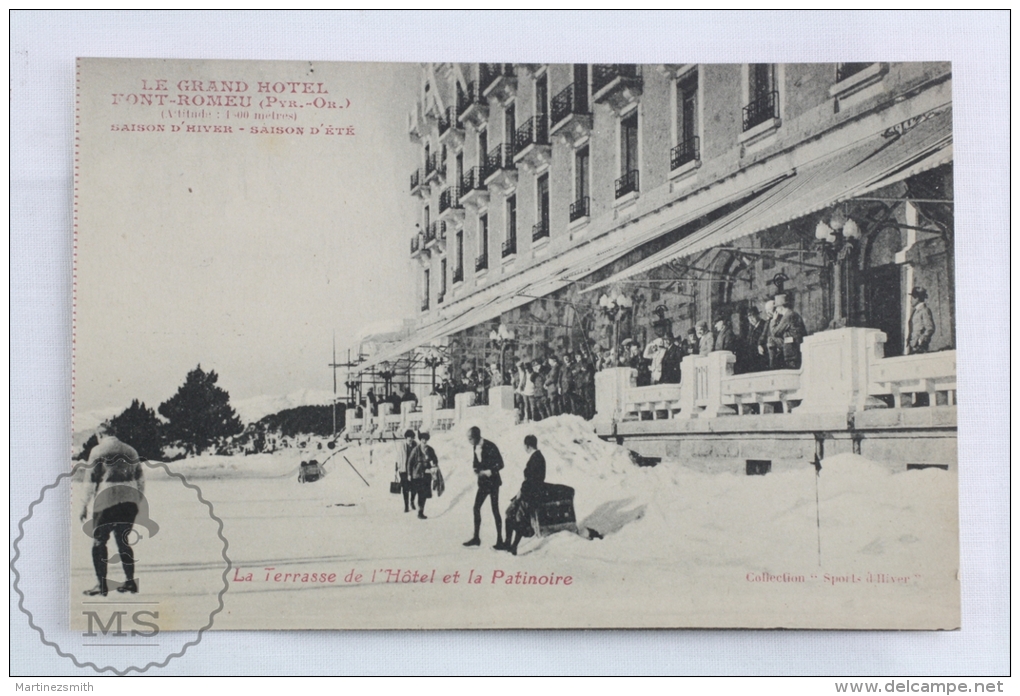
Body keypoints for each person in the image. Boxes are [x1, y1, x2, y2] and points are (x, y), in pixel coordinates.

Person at [78, 432, 145, 596]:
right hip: (129, 502)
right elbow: (140, 479)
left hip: (106, 500)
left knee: (99, 542)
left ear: (100, 434)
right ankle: (130, 582)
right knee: (123, 541)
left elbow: (90, 480)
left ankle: (101, 585)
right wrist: (137, 499)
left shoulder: (98, 451)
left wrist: (83, 504)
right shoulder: (131, 450)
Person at [503, 434, 547, 555]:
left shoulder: (536, 458)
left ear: (527, 446)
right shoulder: (538, 457)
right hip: (529, 493)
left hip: (529, 495)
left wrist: (521, 494)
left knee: (515, 517)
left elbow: (530, 480)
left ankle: (512, 545)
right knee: (512, 515)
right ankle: (509, 544)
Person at [463, 426, 505, 549]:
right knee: (476, 508)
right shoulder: (475, 446)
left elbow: (501, 464)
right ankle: (476, 538)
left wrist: (489, 471)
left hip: (493, 483)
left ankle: (500, 540)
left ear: (476, 437)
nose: (468, 441)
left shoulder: (491, 446)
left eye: (470, 438)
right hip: (483, 484)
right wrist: (476, 469)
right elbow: (476, 462)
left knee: (495, 510)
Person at [407, 432, 438, 520]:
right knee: (419, 493)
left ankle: (421, 511)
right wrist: (409, 474)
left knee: (424, 494)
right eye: (422, 439)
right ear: (420, 440)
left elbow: (435, 459)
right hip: (417, 475)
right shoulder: (415, 450)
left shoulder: (430, 450)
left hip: (427, 474)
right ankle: (415, 506)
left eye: (426, 440)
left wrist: (434, 465)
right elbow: (410, 462)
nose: (424, 441)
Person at [772, 296, 807, 369]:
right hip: (796, 349)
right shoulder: (793, 314)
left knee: (771, 339)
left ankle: (772, 366)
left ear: (780, 307)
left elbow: (775, 332)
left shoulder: (788, 315)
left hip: (792, 351)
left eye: (776, 308)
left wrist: (774, 320)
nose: (776, 310)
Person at [907, 286, 936, 354]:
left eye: (912, 297)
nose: (910, 300)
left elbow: (930, 328)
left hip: (920, 347)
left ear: (917, 298)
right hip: (914, 346)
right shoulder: (915, 311)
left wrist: (920, 340)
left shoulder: (924, 310)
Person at [396, 429, 417, 513]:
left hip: (414, 470)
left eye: (412, 438)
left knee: (414, 487)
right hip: (404, 470)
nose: (410, 439)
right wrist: (398, 467)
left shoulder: (416, 445)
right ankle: (406, 506)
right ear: (406, 438)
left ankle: (412, 501)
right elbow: (399, 456)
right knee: (405, 488)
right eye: (409, 438)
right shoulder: (402, 446)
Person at [743, 305, 768, 373]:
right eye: (749, 317)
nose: (751, 319)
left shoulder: (764, 325)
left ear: (758, 315)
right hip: (752, 359)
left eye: (752, 316)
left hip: (761, 358)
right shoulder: (751, 328)